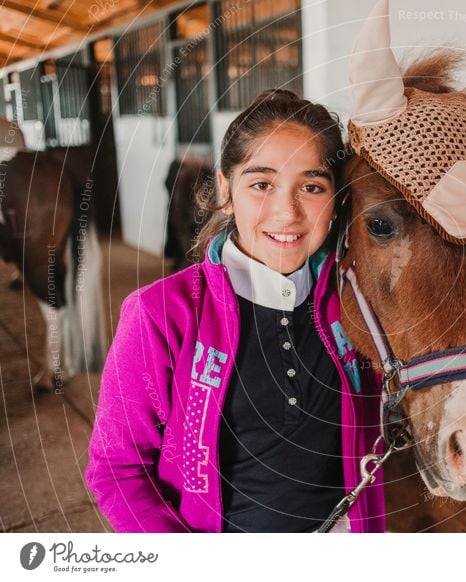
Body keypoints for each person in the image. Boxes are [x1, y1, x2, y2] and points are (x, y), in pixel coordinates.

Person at [85, 90, 385, 533]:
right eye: (261, 184)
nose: (287, 212)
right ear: (226, 191)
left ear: (336, 199)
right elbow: (117, 470)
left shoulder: (358, 308)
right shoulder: (160, 315)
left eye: (312, 186)